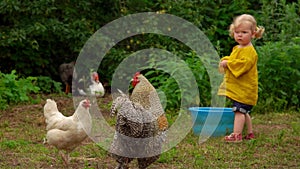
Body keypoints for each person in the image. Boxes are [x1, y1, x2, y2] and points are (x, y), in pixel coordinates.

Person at [218, 14, 265, 142]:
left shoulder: (250, 51)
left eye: (244, 32)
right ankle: (250, 133)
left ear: (253, 34)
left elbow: (243, 64)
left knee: (239, 111)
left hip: (246, 89)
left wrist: (228, 63)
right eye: (237, 32)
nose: (240, 35)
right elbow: (235, 60)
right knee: (244, 112)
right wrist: (227, 60)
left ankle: (236, 135)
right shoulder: (238, 48)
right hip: (241, 88)